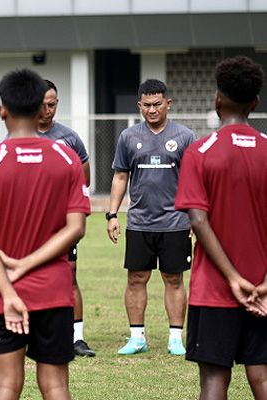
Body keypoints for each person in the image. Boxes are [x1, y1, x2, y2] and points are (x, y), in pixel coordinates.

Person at [0, 68, 89, 400]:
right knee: (55, 386)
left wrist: (9, 290)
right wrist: (28, 265)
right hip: (53, 291)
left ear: (1, 111)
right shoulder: (68, 159)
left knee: (6, 386)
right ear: (42, 108)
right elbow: (76, 227)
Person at [175, 55, 267, 400]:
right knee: (262, 377)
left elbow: (197, 219)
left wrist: (231, 278)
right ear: (255, 102)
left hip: (214, 290)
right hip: (264, 293)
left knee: (214, 383)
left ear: (217, 99)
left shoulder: (200, 152)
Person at [106, 79, 195, 356]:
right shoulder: (128, 137)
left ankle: (175, 338)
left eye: (157, 104)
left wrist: (194, 217)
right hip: (140, 222)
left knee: (174, 279)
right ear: (139, 106)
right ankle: (137, 338)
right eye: (147, 105)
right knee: (136, 278)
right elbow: (121, 176)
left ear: (168, 104)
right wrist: (112, 214)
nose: (152, 110)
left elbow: (194, 180)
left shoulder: (185, 137)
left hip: (175, 222)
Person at [38, 79, 94, 357]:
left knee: (69, 276)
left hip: (62, 224)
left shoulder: (69, 138)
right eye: (44, 104)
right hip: (31, 224)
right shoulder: (21, 136)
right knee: (31, 276)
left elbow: (84, 177)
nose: (49, 110)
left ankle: (76, 337)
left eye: (53, 104)